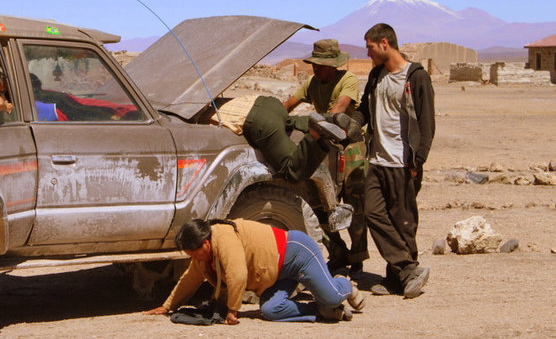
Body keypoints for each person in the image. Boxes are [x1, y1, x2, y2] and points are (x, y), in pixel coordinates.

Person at [350, 23, 435, 298]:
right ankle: (408, 269)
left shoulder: (416, 77)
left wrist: (417, 161)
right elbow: (364, 110)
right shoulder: (376, 75)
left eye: (370, 49)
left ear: (384, 44)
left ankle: (398, 277)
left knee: (403, 222)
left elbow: (427, 123)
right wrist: (346, 127)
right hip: (377, 160)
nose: (369, 55)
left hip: (402, 163)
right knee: (373, 213)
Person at [144, 218, 365, 323]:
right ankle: (324, 312)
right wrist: (167, 306)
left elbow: (237, 272)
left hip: (297, 253)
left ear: (204, 244)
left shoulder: (222, 237)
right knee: (270, 310)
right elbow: (190, 279)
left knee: (330, 296)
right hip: (276, 275)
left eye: (193, 254)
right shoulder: (203, 256)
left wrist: (232, 309)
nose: (193, 260)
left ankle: (343, 284)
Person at [283, 39, 368, 275]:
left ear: (332, 65)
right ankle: (338, 252)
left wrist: (312, 121)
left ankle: (358, 256)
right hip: (324, 147)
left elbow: (337, 111)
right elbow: (288, 104)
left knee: (355, 202)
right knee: (320, 202)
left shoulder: (347, 80)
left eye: (320, 66)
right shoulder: (312, 82)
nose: (315, 70)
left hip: (350, 149)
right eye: (314, 65)